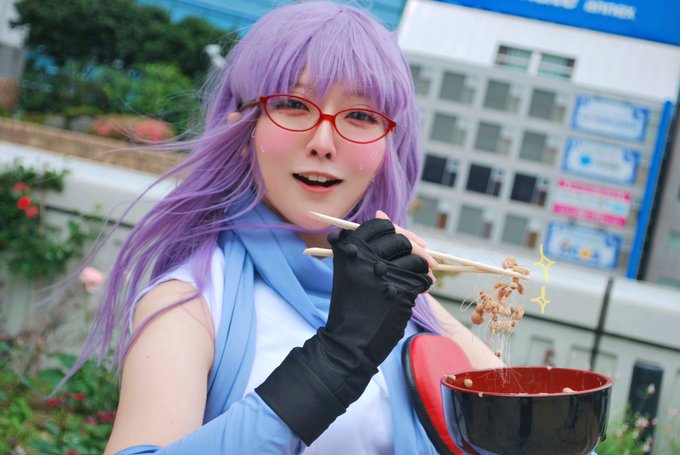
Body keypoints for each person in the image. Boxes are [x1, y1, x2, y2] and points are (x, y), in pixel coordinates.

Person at [76, 2, 502, 453]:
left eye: (361, 115)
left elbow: (517, 419)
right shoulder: (193, 300)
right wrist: (337, 356)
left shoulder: (397, 297)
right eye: (293, 105)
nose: (323, 142)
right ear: (242, 129)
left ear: (387, 147)